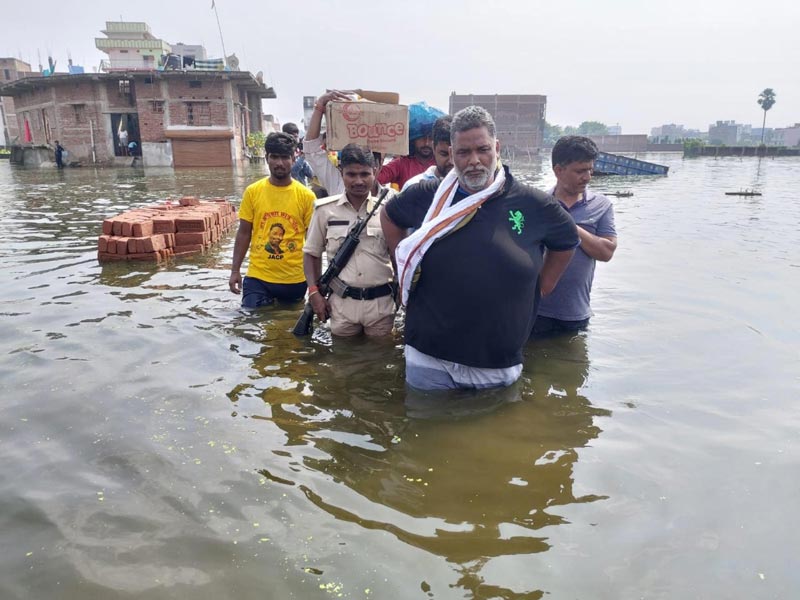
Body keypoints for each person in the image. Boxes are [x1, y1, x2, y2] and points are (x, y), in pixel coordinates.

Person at [380, 106, 579, 391]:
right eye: (463, 152)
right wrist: (402, 264)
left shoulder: (534, 204)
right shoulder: (428, 195)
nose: (474, 161)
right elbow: (389, 216)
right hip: (428, 356)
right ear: (451, 152)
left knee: (497, 431)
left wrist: (541, 288)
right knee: (422, 429)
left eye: (483, 149)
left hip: (496, 362)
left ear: (497, 147)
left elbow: (567, 242)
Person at [303, 144, 395, 337]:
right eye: (351, 174)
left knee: (381, 360)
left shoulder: (389, 210)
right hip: (341, 304)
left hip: (381, 304)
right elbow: (311, 254)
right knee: (342, 361)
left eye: (365, 174)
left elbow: (398, 255)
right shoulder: (325, 211)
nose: (358, 181)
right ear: (340, 172)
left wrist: (402, 290)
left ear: (375, 171)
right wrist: (314, 293)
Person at [532, 136, 618, 336]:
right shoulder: (538, 204)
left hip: (575, 313)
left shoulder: (601, 205)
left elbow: (606, 252)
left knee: (575, 365)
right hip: (536, 310)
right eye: (580, 171)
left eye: (590, 170)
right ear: (558, 171)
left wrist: (568, 225)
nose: (587, 177)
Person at [229, 132, 316, 308]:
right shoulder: (253, 192)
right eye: (274, 157)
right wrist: (235, 270)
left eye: (285, 157)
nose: (279, 163)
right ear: (267, 158)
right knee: (252, 320)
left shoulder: (306, 196)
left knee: (287, 326)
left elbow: (313, 243)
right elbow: (244, 233)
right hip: (258, 276)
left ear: (294, 158)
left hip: (294, 279)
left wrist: (315, 284)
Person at [378, 102, 442, 189]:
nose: (426, 143)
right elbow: (377, 179)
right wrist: (381, 152)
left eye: (430, 138)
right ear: (413, 139)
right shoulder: (402, 163)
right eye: (421, 138)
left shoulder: (441, 162)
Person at [401, 115, 454, 190]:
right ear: (433, 148)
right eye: (444, 154)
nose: (451, 161)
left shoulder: (472, 190)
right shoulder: (414, 188)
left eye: (456, 154)